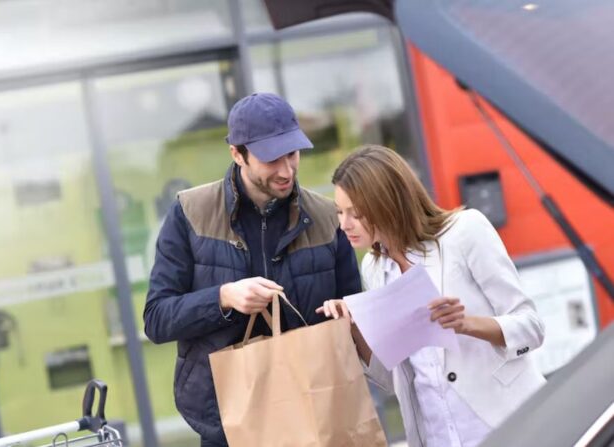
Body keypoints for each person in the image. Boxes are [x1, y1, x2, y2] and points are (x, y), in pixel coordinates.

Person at [144, 92, 362, 447]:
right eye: (271, 158)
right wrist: (224, 298)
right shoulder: (189, 213)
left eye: (292, 154)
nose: (286, 170)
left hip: (317, 414)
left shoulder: (327, 218)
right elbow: (156, 319)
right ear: (237, 153)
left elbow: (357, 315)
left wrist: (348, 313)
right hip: (229, 422)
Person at [319, 145, 546, 447]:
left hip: (504, 424)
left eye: (356, 214)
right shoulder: (374, 268)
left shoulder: (465, 232)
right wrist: (354, 328)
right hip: (436, 435)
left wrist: (467, 324)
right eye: (339, 212)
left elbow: (532, 327)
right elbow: (393, 380)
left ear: (387, 204)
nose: (344, 224)